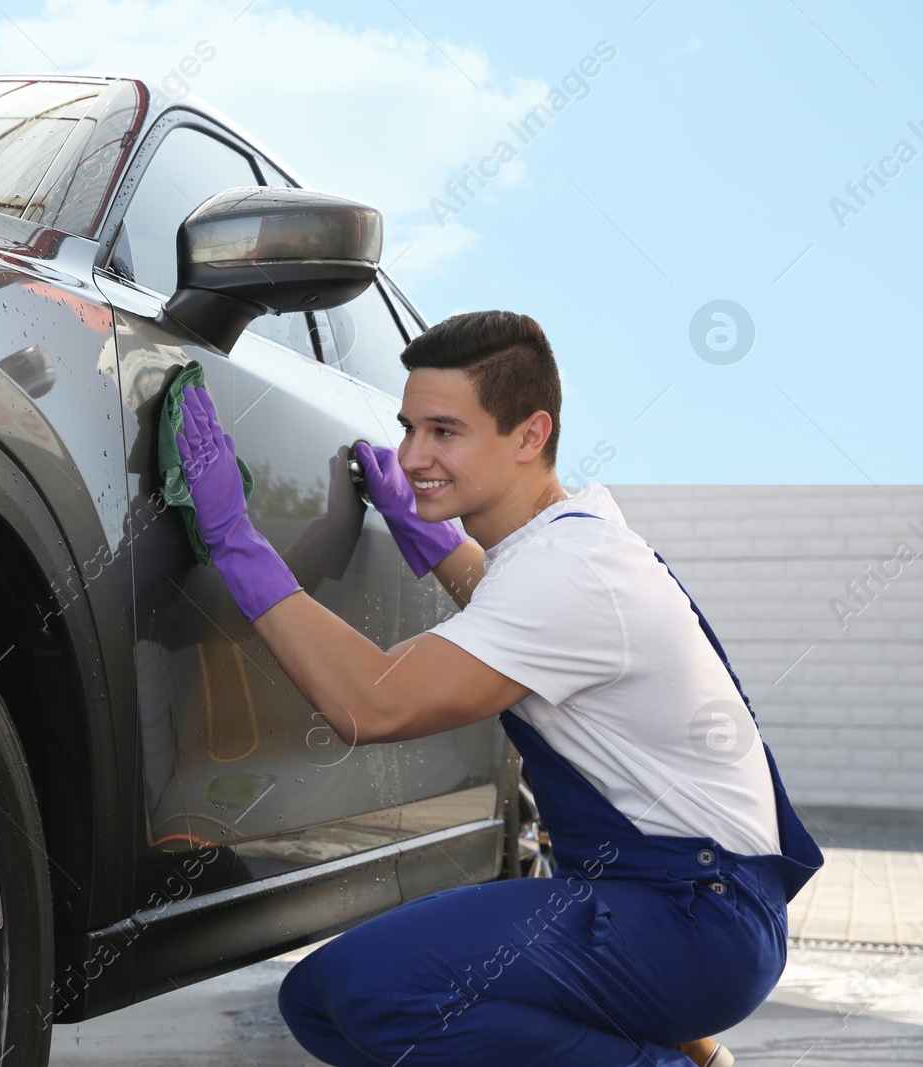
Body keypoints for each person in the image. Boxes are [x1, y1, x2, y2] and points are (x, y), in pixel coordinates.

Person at [170, 310, 823, 1067]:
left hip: (692, 918)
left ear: (529, 434)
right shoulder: (571, 541)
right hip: (685, 907)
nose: (414, 455)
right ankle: (679, 1046)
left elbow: (372, 702)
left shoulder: (568, 572)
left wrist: (235, 539)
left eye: (445, 432)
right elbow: (510, 610)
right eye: (408, 426)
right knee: (318, 1001)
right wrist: (430, 534)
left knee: (378, 991)